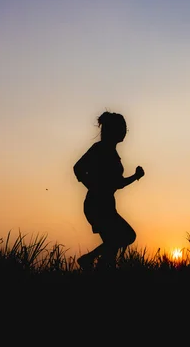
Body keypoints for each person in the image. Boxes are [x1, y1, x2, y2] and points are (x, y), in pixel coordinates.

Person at [74, 111, 145, 270]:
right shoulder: (100, 148)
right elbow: (78, 168)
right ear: (113, 130)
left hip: (106, 205)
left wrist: (135, 176)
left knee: (112, 247)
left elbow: (117, 184)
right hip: (97, 205)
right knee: (125, 237)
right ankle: (88, 259)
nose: (124, 132)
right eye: (122, 128)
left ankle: (96, 267)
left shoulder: (112, 153)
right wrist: (92, 186)